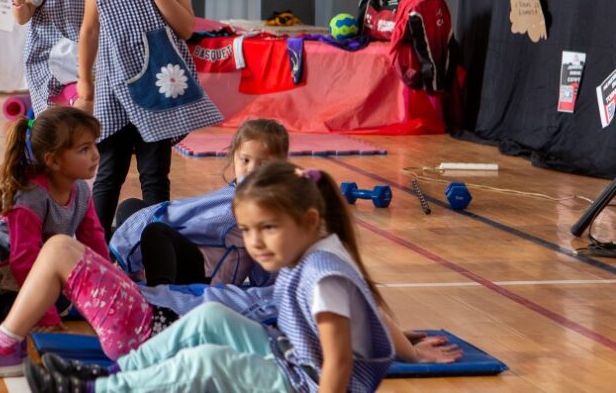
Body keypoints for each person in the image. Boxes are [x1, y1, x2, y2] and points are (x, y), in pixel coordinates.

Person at [24, 161, 458, 393]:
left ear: (308, 220)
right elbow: (369, 317)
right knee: (210, 316)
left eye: (267, 228)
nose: (255, 243)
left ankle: (99, 392)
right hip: (291, 358)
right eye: (247, 231)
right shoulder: (310, 249)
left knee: (206, 363)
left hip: (304, 384)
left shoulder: (326, 276)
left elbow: (340, 361)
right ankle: (116, 374)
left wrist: (411, 355)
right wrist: (407, 346)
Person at [75, 0, 222, 238]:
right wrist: (85, 84)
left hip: (158, 90)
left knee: (155, 174)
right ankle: (93, 249)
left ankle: (157, 249)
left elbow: (186, 28)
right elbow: (90, 32)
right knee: (109, 173)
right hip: (114, 91)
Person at [0, 107, 107, 331]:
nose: (95, 155)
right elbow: (24, 257)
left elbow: (94, 239)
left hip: (22, 268)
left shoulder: (81, 190)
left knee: (62, 300)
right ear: (52, 161)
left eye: (94, 145)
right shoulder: (31, 196)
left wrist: (110, 284)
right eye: (84, 149)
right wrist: (45, 316)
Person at [111, 119, 289, 287]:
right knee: (131, 207)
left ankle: (160, 290)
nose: (252, 169)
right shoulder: (231, 192)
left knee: (156, 231)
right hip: (188, 250)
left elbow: (267, 262)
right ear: (234, 157)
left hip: (205, 277)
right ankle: (144, 269)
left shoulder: (263, 208)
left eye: (264, 163)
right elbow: (194, 215)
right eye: (246, 160)